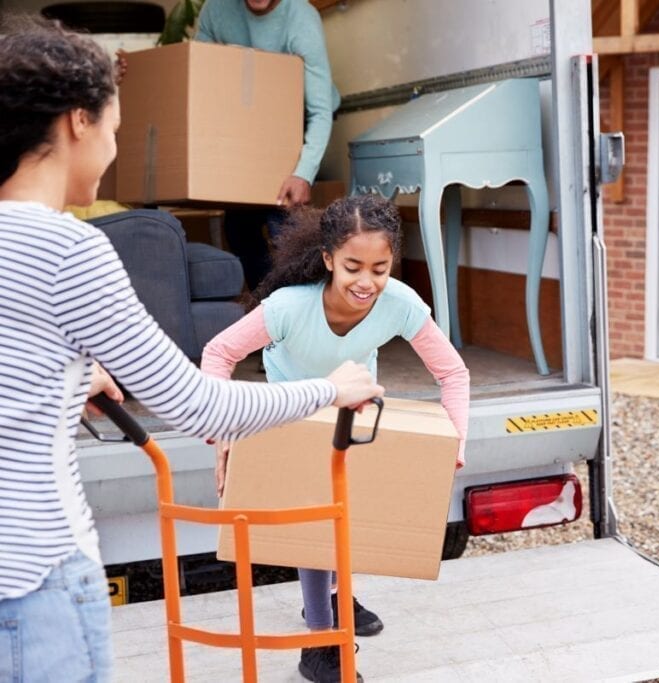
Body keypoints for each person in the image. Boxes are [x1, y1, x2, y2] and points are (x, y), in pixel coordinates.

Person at [0, 19, 383, 682]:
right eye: (115, 128)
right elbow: (200, 406)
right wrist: (331, 388)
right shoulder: (69, 249)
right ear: (76, 123)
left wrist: (67, 374)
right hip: (37, 580)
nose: (117, 149)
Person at [201, 194, 470, 683]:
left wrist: (457, 440)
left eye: (380, 268)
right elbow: (218, 354)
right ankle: (321, 645)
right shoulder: (287, 307)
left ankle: (329, 595)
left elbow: (452, 373)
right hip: (292, 417)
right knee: (313, 524)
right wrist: (223, 434)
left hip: (351, 413)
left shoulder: (400, 305)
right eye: (352, 267)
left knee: (347, 513)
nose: (366, 282)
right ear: (328, 259)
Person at [194, 0, 342, 289]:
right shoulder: (216, 10)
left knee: (281, 218)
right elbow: (197, 69)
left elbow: (320, 111)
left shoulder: (301, 18)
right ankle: (266, 303)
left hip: (297, 113)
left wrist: (303, 173)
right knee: (239, 226)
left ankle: (300, 310)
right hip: (247, 117)